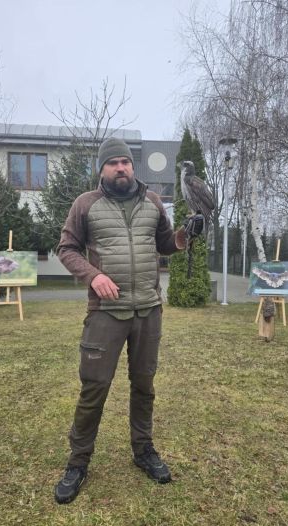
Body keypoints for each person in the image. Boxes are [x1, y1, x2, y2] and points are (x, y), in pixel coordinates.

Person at [54, 137, 203, 504]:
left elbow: (165, 243)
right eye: (113, 163)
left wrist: (185, 235)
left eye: (126, 162)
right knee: (94, 388)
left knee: (144, 385)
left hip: (148, 310)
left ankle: (143, 450)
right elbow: (67, 249)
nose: (121, 167)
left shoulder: (153, 202)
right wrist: (93, 276)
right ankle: (78, 462)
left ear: (133, 167)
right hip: (105, 313)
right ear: (102, 168)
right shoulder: (85, 204)